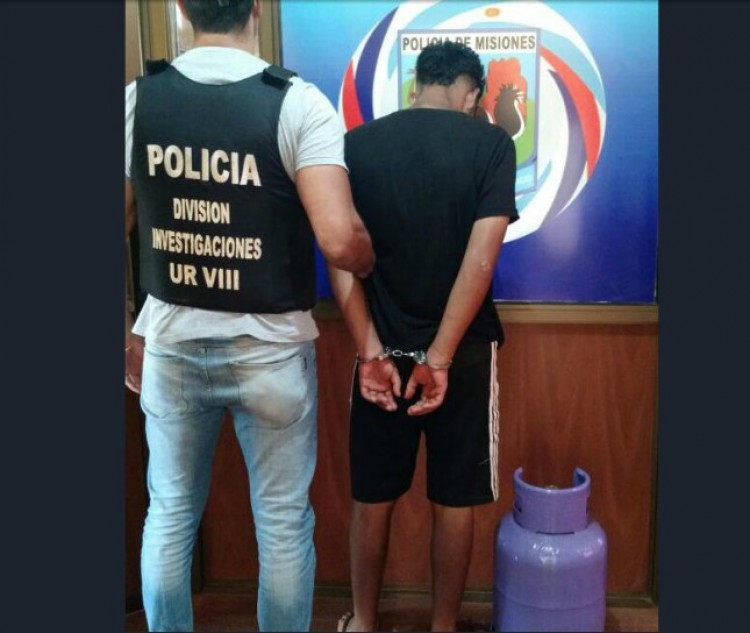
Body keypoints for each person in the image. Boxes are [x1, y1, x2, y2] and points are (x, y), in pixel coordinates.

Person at [124, 1, 375, 631]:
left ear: (182, 8)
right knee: (283, 524)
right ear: (257, 9)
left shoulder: (139, 102)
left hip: (172, 344)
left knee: (169, 515)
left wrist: (125, 329)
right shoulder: (296, 103)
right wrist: (370, 255)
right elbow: (340, 240)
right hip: (271, 352)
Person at [329, 41, 519, 632]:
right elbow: (481, 260)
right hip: (462, 354)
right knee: (455, 499)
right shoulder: (491, 144)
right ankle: (442, 628)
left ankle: (363, 622)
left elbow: (339, 253)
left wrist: (370, 349)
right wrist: (439, 358)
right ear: (472, 94)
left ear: (417, 85)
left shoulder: (356, 145)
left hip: (380, 354)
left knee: (372, 495)